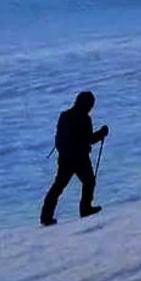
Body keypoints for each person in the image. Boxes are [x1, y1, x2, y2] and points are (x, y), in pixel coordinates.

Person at [40, 91, 109, 226]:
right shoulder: (85, 118)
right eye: (91, 104)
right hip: (79, 157)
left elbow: (59, 139)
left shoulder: (65, 116)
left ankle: (46, 216)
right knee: (89, 181)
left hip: (65, 158)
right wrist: (102, 133)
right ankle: (85, 208)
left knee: (58, 186)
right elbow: (89, 140)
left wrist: (65, 152)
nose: (91, 107)